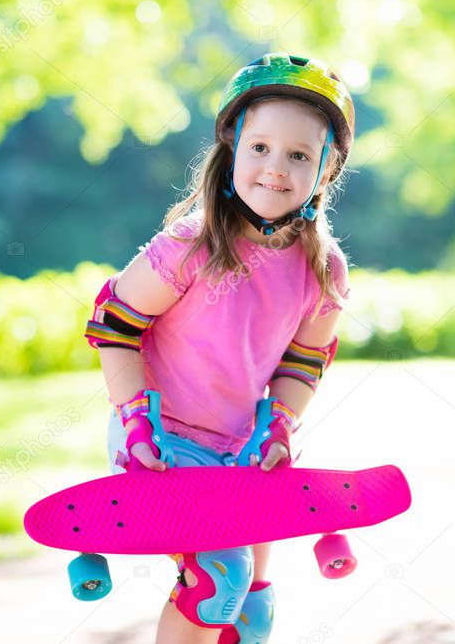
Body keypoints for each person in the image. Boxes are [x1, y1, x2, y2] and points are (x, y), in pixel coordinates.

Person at [84, 52, 355, 644]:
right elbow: (114, 325)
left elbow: (303, 363)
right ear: (233, 147)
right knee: (220, 581)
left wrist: (280, 425)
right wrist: (134, 422)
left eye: (299, 155)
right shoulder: (191, 243)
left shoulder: (324, 272)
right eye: (259, 148)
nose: (275, 169)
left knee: (254, 607)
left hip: (239, 450)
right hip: (160, 439)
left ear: (326, 168)